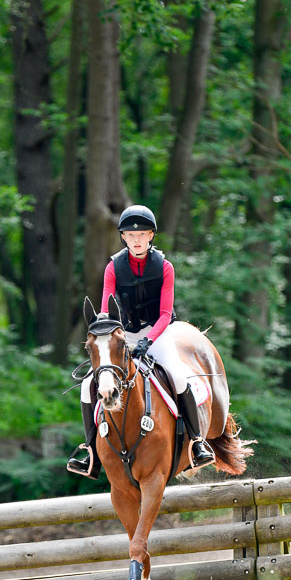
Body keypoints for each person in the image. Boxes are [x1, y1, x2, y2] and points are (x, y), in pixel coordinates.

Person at [67, 204, 215, 477]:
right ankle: (89, 451)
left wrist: (148, 341)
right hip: (123, 334)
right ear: (123, 237)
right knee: (88, 382)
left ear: (150, 237)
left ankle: (197, 442)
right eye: (130, 235)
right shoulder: (113, 268)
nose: (136, 240)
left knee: (179, 377)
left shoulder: (165, 267)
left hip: (157, 331)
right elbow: (107, 311)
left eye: (142, 234)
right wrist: (115, 337)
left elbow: (165, 314)